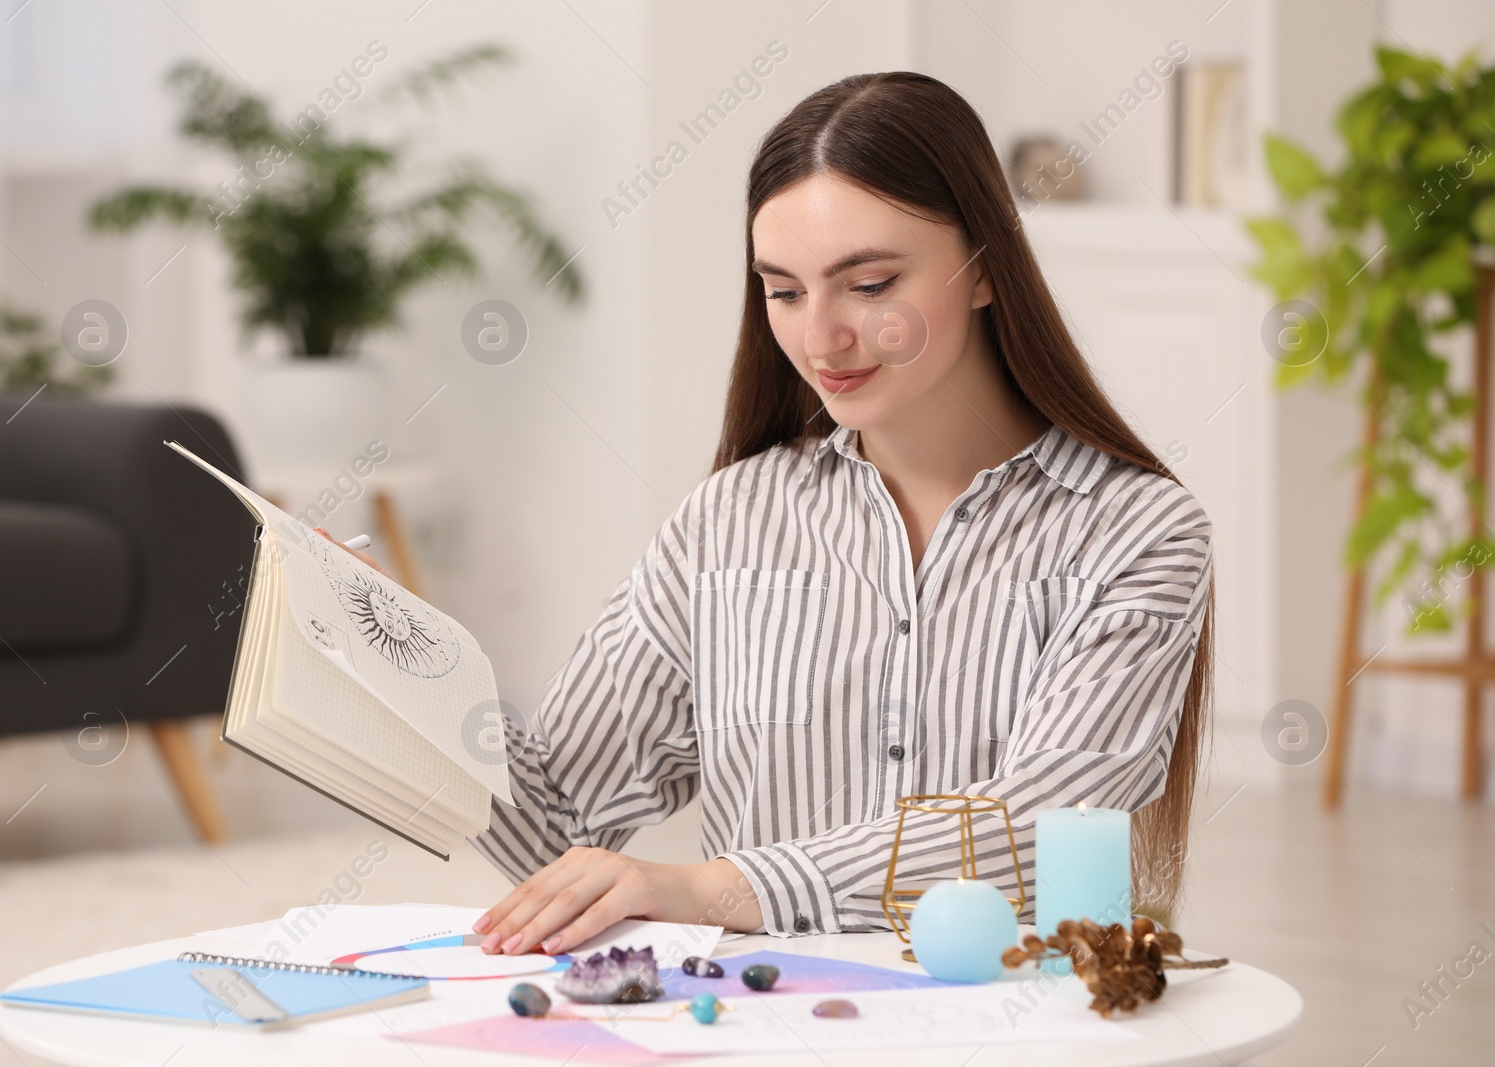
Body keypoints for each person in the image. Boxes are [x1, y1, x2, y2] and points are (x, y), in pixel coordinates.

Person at [336, 70, 1214, 958]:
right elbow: (557, 819)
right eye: (785, 291)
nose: (819, 338)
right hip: (772, 1025)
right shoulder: (727, 521)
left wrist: (717, 888)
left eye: (868, 285)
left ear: (984, 267)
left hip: (1002, 1026)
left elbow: (1045, 824)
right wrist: (401, 663)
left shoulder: (1140, 533)